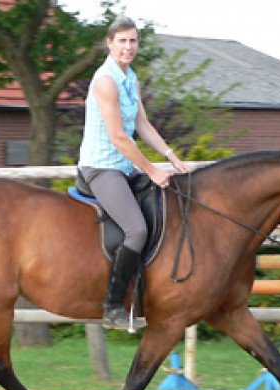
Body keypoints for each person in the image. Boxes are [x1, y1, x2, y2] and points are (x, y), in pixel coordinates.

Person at [78, 16, 189, 330]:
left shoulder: (130, 77)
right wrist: (152, 170)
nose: (128, 47)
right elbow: (119, 137)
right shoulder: (105, 81)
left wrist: (170, 156)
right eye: (122, 41)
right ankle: (113, 307)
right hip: (101, 168)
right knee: (137, 231)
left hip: (124, 167)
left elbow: (142, 125)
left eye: (133, 41)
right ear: (109, 43)